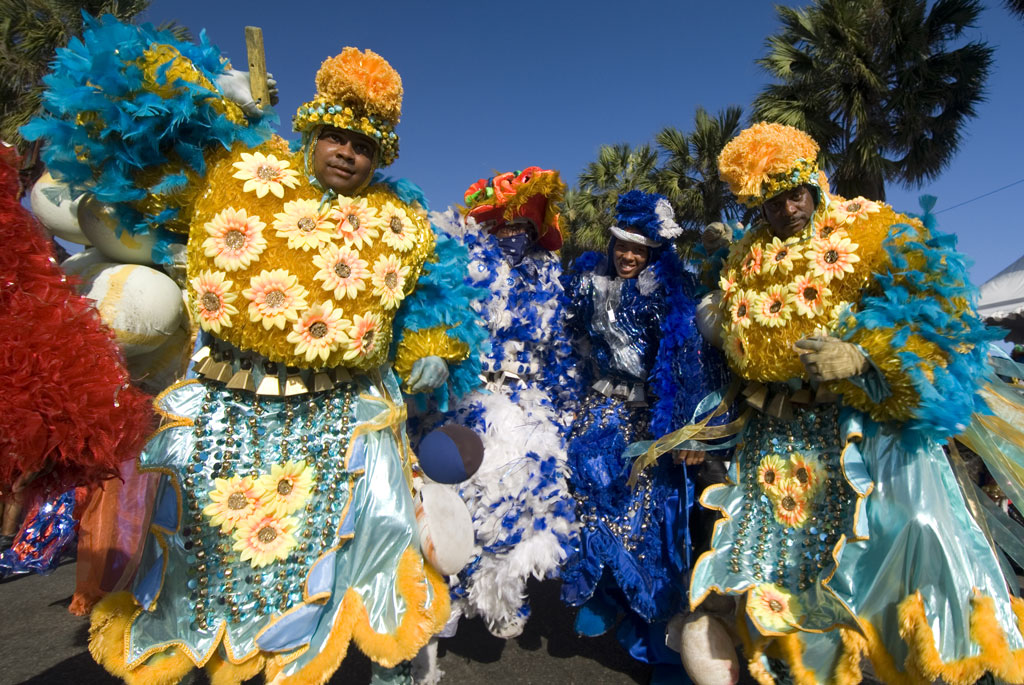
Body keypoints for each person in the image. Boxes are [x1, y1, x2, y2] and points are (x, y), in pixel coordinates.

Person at [25, 15, 483, 685]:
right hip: (228, 417)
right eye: (335, 135)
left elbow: (435, 297)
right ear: (310, 129)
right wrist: (210, 94)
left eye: (364, 143)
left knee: (360, 566)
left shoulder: (404, 220)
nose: (348, 152)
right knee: (207, 578)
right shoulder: (239, 170)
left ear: (380, 153)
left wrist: (434, 347)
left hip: (345, 417)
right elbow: (131, 104)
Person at [687, 122, 1024, 684]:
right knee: (782, 574)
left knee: (905, 540)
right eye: (772, 202)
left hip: (866, 434)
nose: (788, 209)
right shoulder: (747, 257)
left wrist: (864, 356)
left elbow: (942, 315)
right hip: (779, 444)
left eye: (796, 193)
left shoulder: (868, 227)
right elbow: (727, 334)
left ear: (815, 185)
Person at [559, 191, 730, 681]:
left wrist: (690, 431)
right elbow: (558, 331)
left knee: (653, 528)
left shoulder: (670, 293)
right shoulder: (588, 284)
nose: (628, 256)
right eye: (621, 245)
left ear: (654, 252)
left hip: (653, 419)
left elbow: (689, 361)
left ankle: (663, 645)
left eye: (639, 249)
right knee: (589, 504)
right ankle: (606, 596)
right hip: (600, 411)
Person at [425, 167, 578, 640]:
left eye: (526, 229)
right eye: (508, 226)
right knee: (452, 499)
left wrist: (566, 402)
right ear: (491, 225)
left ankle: (499, 596)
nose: (516, 236)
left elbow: (560, 349)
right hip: (467, 396)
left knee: (529, 498)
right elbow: (439, 314)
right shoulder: (460, 262)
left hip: (528, 400)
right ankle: (443, 596)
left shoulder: (548, 276)